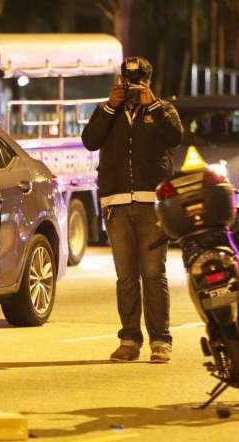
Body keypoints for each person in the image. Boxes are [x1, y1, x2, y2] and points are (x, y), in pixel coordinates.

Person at [81, 56, 183, 363]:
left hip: (151, 201)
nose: (132, 87)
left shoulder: (162, 110)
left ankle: (160, 341)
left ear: (149, 82)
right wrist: (110, 107)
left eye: (138, 82)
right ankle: (129, 339)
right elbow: (90, 141)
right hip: (116, 203)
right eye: (127, 82)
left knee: (153, 272)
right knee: (125, 275)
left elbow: (175, 137)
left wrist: (152, 105)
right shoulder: (107, 111)